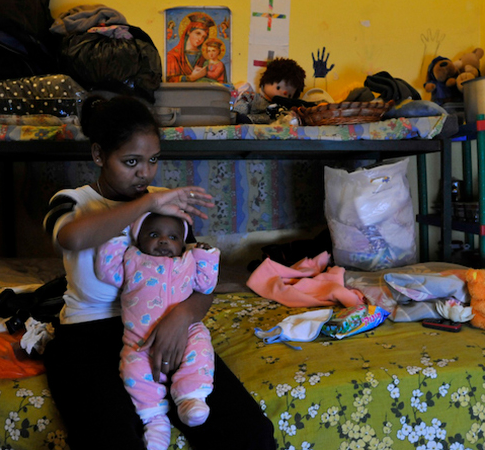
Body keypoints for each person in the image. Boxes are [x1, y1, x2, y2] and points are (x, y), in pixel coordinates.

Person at [42, 95, 276, 450]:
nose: (145, 173)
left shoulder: (167, 208)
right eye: (131, 161)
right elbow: (70, 238)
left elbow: (201, 281)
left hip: (164, 325)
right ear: (99, 155)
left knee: (250, 434)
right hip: (89, 335)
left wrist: (182, 318)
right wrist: (149, 202)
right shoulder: (73, 201)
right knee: (112, 440)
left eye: (153, 160)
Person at [94, 212, 219, 450]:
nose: (163, 240)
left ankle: (190, 397)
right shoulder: (132, 259)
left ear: (182, 243)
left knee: (201, 349)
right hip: (140, 339)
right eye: (153, 234)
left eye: (173, 237)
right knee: (133, 371)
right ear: (138, 239)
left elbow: (206, 285)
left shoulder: (188, 260)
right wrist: (116, 239)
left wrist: (205, 255)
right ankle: (154, 420)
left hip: (187, 331)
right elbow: (107, 271)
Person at [233, 57, 307, 124]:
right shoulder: (252, 97)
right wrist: (237, 114)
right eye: (278, 88)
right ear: (266, 80)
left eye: (289, 95)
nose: (284, 94)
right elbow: (243, 104)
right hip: (245, 119)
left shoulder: (282, 108)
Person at [166, 12, 215, 83]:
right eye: (198, 33)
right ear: (189, 31)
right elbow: (169, 80)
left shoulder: (203, 56)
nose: (200, 39)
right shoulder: (172, 56)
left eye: (203, 37)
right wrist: (191, 78)